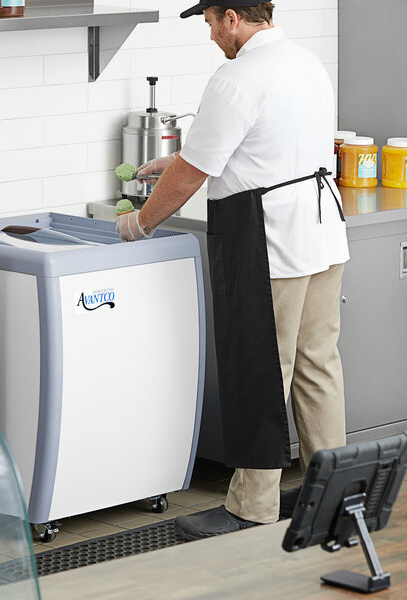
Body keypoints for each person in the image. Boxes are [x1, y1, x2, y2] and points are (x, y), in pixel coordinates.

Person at [116, 0, 349, 539]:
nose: (211, 36)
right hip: (320, 234)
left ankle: (253, 507)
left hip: (266, 241)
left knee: (260, 372)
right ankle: (333, 495)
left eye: (210, 24)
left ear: (232, 18)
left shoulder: (237, 77)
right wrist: (168, 165)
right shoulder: (304, 62)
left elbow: (194, 173)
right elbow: (258, 149)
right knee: (318, 367)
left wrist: (139, 225)